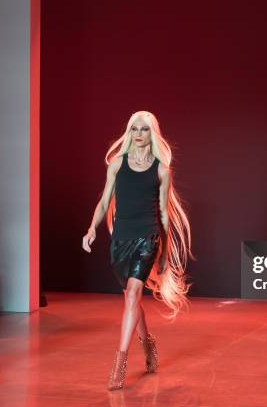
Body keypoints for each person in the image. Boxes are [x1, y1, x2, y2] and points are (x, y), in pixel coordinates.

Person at [82, 111, 192, 390]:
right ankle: (149, 344)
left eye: (144, 129)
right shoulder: (116, 165)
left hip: (148, 237)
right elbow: (105, 201)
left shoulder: (161, 170)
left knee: (132, 293)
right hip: (120, 239)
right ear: (129, 132)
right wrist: (92, 228)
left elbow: (165, 216)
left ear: (152, 133)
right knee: (131, 298)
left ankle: (119, 364)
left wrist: (165, 251)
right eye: (134, 129)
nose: (139, 134)